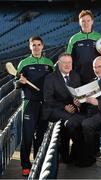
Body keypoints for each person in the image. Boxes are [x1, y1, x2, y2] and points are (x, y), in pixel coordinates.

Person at [17, 36, 54, 176]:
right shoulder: (24, 63)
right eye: (34, 45)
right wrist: (21, 81)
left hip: (44, 104)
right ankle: (25, 165)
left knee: (41, 135)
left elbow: (52, 83)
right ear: (30, 47)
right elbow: (16, 84)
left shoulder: (49, 63)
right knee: (27, 135)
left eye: (39, 45)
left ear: (43, 46)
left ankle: (38, 161)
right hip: (29, 103)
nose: (37, 47)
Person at [42, 52, 85, 166]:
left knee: (80, 122)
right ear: (59, 64)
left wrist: (77, 103)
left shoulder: (75, 76)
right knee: (70, 122)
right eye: (65, 63)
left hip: (71, 109)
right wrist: (64, 107)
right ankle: (72, 155)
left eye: (69, 62)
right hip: (54, 109)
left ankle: (75, 155)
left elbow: (78, 95)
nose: (67, 65)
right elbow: (48, 99)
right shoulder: (50, 78)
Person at [67, 9, 101, 85]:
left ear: (92, 21)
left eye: (88, 20)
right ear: (79, 23)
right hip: (78, 77)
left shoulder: (99, 38)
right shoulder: (74, 39)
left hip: (96, 76)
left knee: (95, 97)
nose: (86, 23)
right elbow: (68, 58)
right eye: (83, 21)